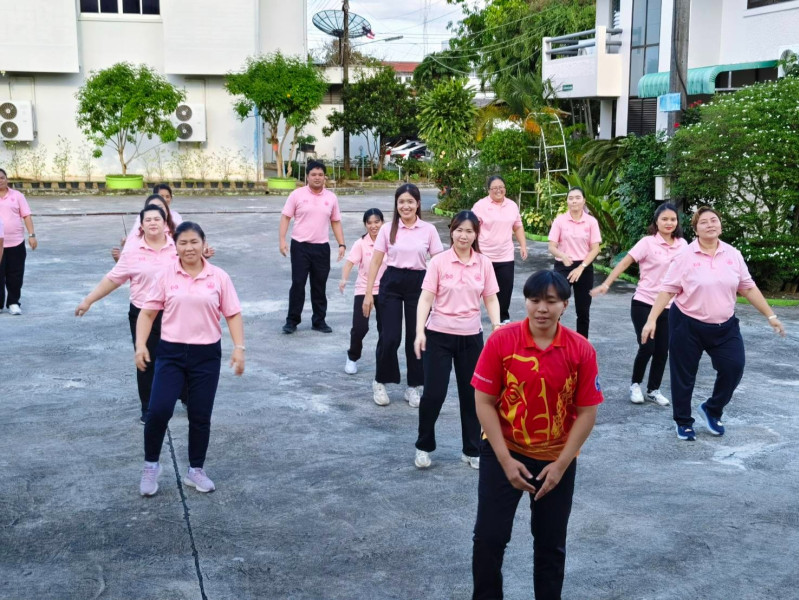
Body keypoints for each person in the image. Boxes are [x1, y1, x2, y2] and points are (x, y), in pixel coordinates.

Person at [470, 270, 603, 600]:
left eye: (551, 301)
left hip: (556, 459)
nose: (542, 308)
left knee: (550, 544)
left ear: (565, 305)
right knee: (488, 539)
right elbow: (484, 402)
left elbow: (587, 413)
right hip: (504, 450)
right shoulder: (502, 341)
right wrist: (505, 461)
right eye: (534, 300)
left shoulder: (581, 350)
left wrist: (560, 466)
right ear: (525, 302)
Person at [641, 207, 785, 441]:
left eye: (714, 220)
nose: (710, 224)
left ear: (720, 225)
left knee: (733, 367)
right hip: (687, 323)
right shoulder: (685, 256)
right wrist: (651, 320)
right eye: (704, 222)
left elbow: (748, 287)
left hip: (724, 326)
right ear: (696, 229)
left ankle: (712, 409)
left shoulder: (733, 254)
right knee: (684, 376)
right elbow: (668, 290)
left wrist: (771, 315)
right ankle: (683, 421)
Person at [135, 221, 244, 496]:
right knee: (158, 411)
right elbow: (147, 313)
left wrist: (239, 348)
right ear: (176, 246)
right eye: (183, 243)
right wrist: (140, 345)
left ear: (204, 244)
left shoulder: (219, 277)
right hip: (171, 353)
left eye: (194, 242)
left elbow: (232, 313)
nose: (189, 248)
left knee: (200, 414)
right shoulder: (166, 275)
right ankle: (151, 466)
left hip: (206, 355)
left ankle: (196, 470)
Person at [413, 211, 500, 470]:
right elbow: (426, 298)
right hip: (438, 336)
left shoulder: (483, 263)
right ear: (451, 231)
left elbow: (491, 298)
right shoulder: (439, 262)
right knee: (434, 394)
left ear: (476, 235)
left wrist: (496, 326)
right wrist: (419, 331)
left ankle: (472, 449)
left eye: (469, 231)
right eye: (459, 230)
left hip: (471, 337)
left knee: (472, 396)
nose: (464, 235)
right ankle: (423, 446)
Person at [75, 204, 175, 423]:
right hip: (142, 314)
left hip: (174, 313)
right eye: (148, 219)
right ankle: (148, 407)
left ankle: (184, 397)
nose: (152, 223)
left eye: (157, 219)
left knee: (178, 358)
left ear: (165, 223)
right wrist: (88, 300)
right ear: (141, 226)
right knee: (146, 360)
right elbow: (113, 279)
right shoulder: (132, 251)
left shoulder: (176, 247)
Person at [590, 203, 687, 406]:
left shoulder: (682, 245)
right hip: (644, 302)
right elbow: (625, 262)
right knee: (647, 346)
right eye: (664, 219)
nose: (669, 223)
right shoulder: (647, 243)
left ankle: (653, 390)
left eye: (673, 219)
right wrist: (607, 283)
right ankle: (635, 385)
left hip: (669, 306)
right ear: (656, 221)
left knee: (662, 350)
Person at [363, 183, 444, 407]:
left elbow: (439, 262)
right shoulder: (387, 229)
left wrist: (440, 294)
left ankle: (414, 386)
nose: (405, 206)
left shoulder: (428, 230)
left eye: (410, 201)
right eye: (401, 202)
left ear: (418, 204)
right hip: (391, 283)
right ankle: (380, 381)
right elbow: (375, 262)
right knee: (390, 337)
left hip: (419, 284)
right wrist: (368, 294)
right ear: (396, 204)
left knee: (416, 337)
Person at [279, 160, 346, 334]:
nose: (317, 178)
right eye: (313, 174)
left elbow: (335, 221)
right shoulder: (296, 195)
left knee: (319, 285)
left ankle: (319, 321)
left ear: (325, 177)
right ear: (307, 176)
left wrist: (341, 244)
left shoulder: (331, 198)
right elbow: (286, 217)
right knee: (298, 284)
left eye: (320, 175)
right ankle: (292, 321)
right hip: (300, 247)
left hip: (321, 248)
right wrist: (282, 240)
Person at [471, 176, 528, 322]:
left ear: (505, 189)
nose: (498, 190)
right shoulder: (480, 206)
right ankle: (470, 315)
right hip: (484, 255)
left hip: (505, 255)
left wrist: (523, 245)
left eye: (501, 187)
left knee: (505, 289)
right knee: (477, 288)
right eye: (494, 188)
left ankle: (502, 317)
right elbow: (471, 228)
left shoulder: (512, 205)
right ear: (488, 190)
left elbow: (517, 226)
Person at [547, 187, 601, 338]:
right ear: (567, 201)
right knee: (556, 306)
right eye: (571, 198)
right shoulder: (560, 221)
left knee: (583, 311)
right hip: (563, 266)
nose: (574, 201)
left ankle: (582, 343)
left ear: (584, 201)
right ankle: (552, 339)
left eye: (578, 198)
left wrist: (581, 267)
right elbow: (551, 246)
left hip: (584, 267)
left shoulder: (591, 222)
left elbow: (595, 248)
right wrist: (562, 256)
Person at [339, 208, 386, 375]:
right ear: (365, 225)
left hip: (385, 290)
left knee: (385, 329)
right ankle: (352, 357)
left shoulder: (390, 241)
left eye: (377, 222)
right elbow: (349, 263)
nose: (373, 226)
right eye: (369, 223)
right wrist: (344, 280)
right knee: (360, 328)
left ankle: (383, 360)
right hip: (364, 289)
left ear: (383, 222)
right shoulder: (361, 243)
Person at [0, 168, 37, 315]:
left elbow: (26, 215)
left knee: (15, 274)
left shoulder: (17, 196)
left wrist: (32, 235)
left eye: (2, 177)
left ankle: (13, 302)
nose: (0, 180)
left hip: (16, 242)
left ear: (7, 179)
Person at [112, 184, 182, 261]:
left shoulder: (176, 218)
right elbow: (134, 235)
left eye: (167, 196)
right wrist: (127, 243)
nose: (165, 199)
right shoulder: (141, 223)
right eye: (161, 196)